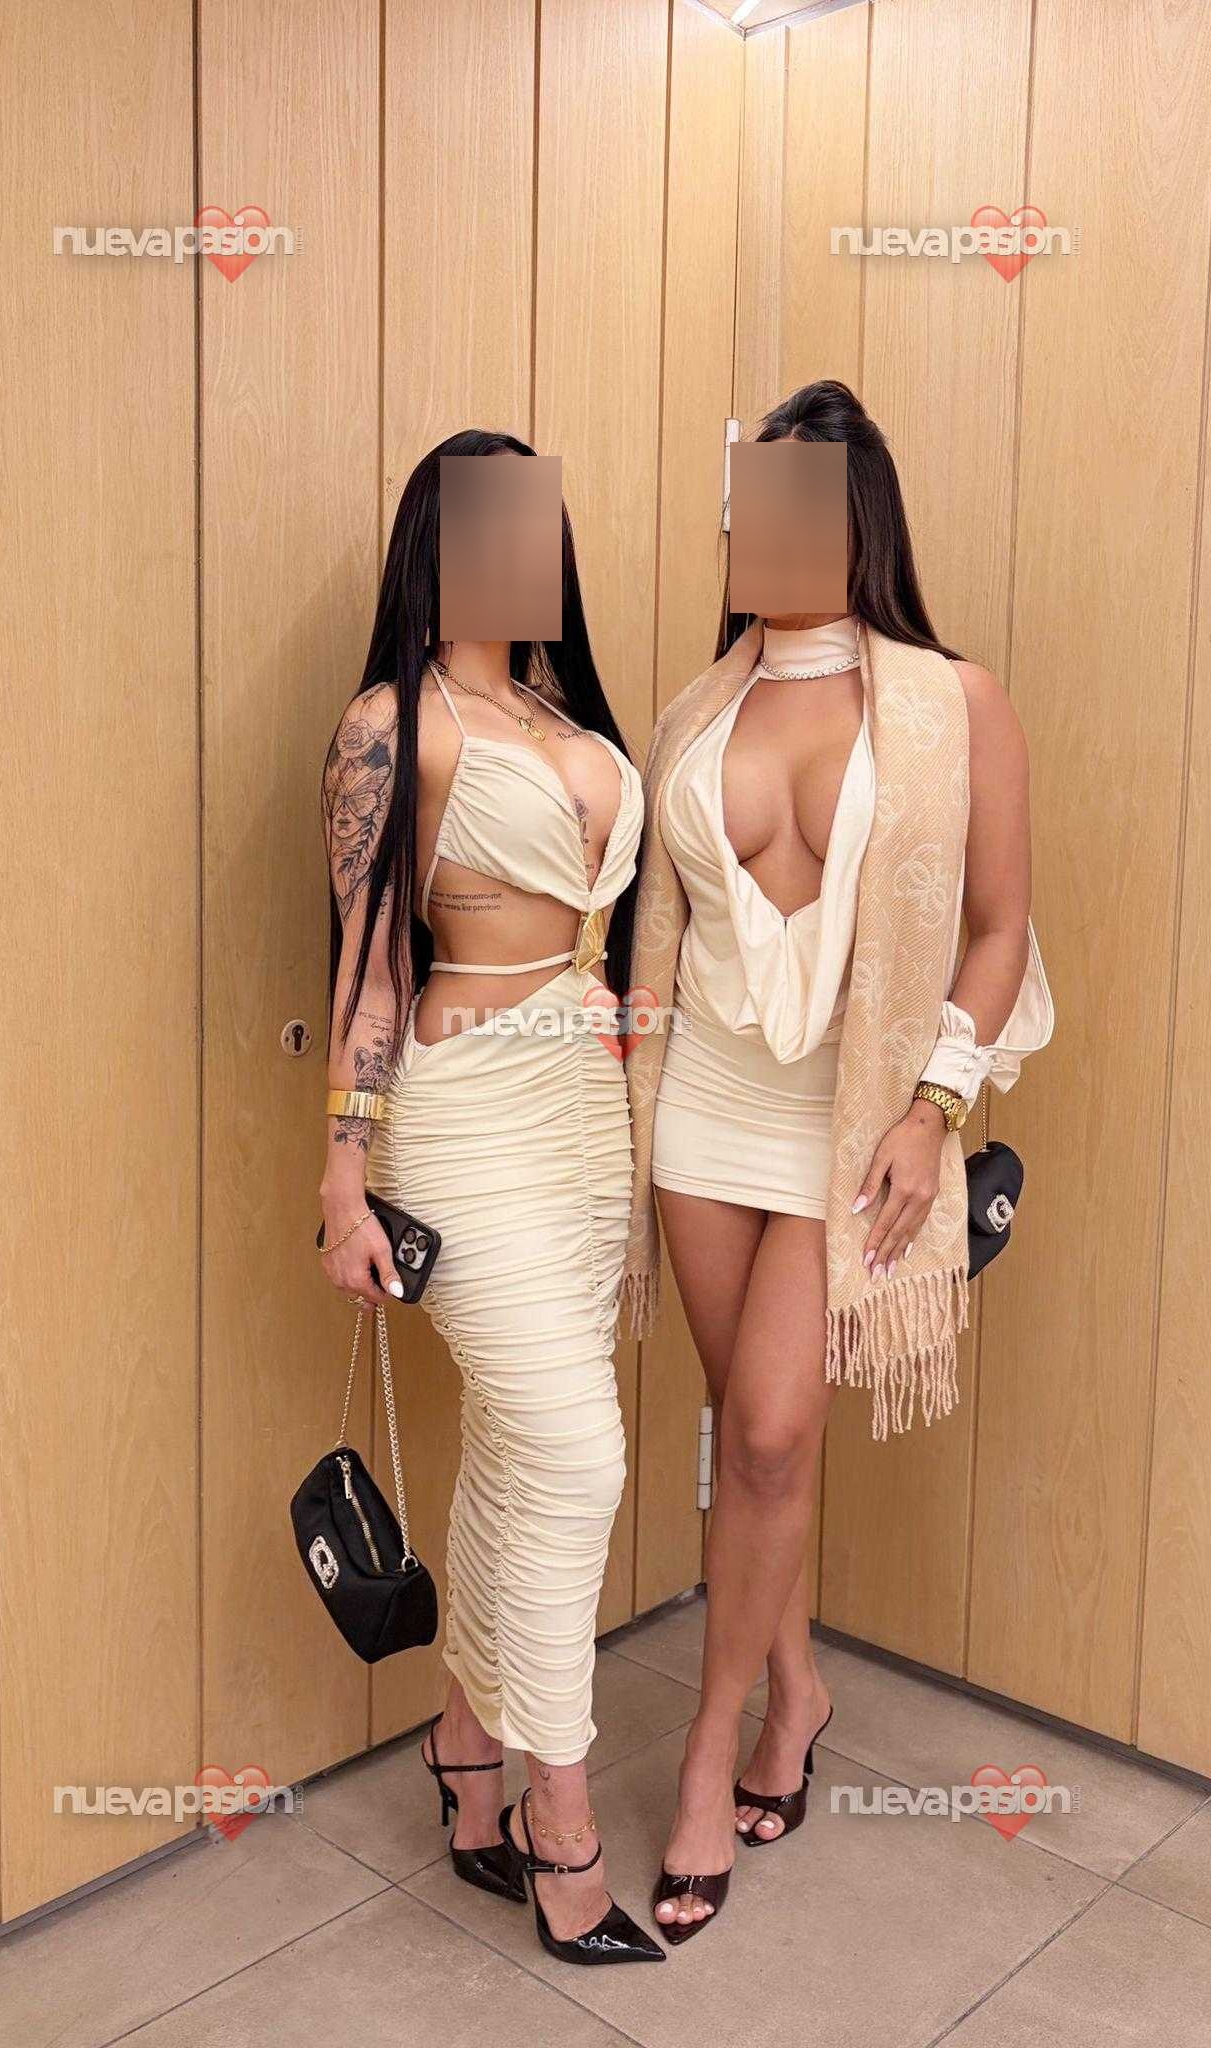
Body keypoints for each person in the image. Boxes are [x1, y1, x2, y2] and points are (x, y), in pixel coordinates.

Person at [619, 380, 1053, 1942]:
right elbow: (655, 924)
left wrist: (932, 1109)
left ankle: (707, 1753)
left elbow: (998, 929)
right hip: (701, 1111)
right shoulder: (692, 711)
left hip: (849, 1124)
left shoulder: (951, 701)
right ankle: (796, 1687)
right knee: (754, 1443)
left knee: (772, 1434)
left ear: (856, 519)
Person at [318, 429, 662, 1966]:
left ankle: (465, 1751)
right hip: (461, 1113)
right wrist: (345, 1171)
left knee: (522, 1454)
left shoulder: (565, 714)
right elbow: (369, 957)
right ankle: (559, 1826)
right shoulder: (394, 726)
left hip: (587, 1112)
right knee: (580, 1457)